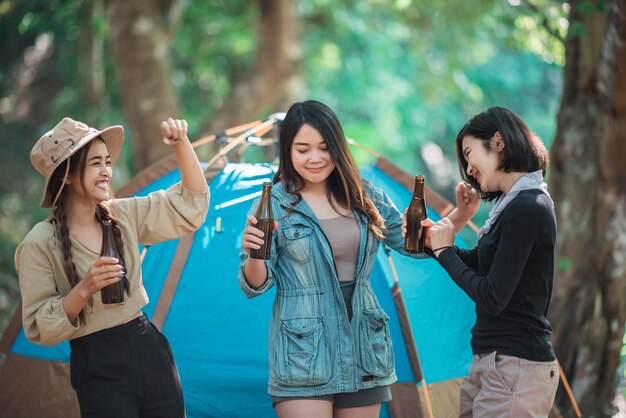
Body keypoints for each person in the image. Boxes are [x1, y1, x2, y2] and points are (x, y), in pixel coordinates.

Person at [238, 100, 473, 418]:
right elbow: (254, 285)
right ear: (288, 151)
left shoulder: (366, 198)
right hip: (303, 354)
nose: (315, 158)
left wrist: (461, 215)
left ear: (337, 147)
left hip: (364, 344)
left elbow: (415, 244)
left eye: (324, 147)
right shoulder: (272, 204)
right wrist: (255, 253)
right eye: (303, 149)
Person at [16, 117, 209, 418]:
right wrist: (84, 289)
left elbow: (189, 208)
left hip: (148, 348)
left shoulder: (122, 215)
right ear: (66, 175)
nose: (107, 170)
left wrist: (181, 144)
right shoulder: (40, 243)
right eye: (95, 163)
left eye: (107, 161)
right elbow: (40, 327)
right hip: (96, 362)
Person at [423, 107, 559, 417]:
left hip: (516, 367)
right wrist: (435, 243)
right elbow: (480, 265)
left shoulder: (528, 206)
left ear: (497, 141)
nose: (468, 168)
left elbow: (493, 296)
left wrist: (445, 252)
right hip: (494, 363)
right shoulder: (512, 206)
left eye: (469, 153)